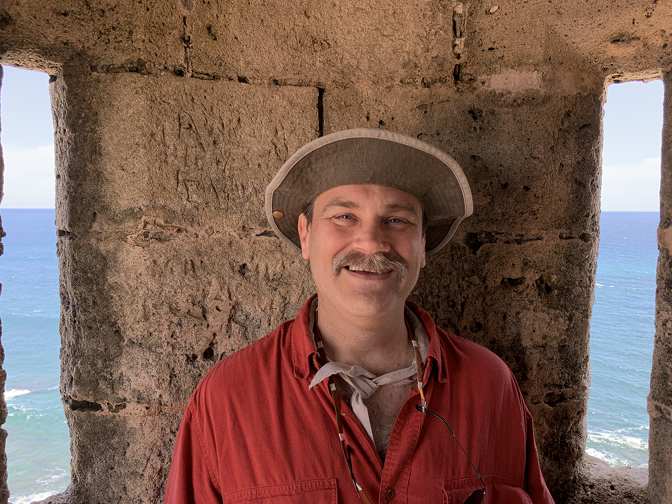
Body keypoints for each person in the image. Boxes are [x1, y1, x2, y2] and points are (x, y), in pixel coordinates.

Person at [164, 129, 555, 504]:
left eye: (396, 220)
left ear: (421, 245)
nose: (371, 242)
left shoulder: (491, 388)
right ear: (305, 235)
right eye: (344, 217)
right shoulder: (227, 398)